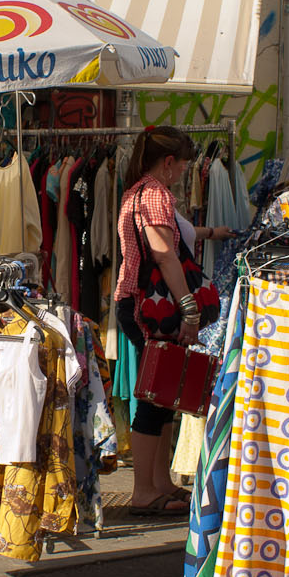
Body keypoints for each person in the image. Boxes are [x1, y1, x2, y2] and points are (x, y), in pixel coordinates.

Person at [112, 127, 232, 515]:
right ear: (169, 163)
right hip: (152, 307)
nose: (184, 172)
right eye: (183, 165)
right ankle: (144, 491)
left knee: (163, 395)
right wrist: (189, 308)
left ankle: (159, 481)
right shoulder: (156, 195)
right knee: (154, 396)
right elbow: (165, 255)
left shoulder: (136, 192)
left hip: (139, 303)